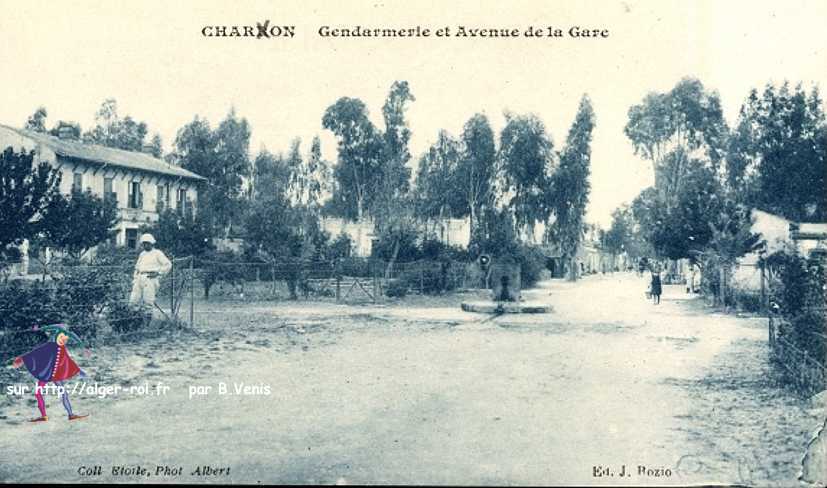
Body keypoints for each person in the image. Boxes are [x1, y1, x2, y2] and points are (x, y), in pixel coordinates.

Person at [12, 324, 90, 422]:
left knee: (53, 392)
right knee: (44, 392)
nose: (63, 340)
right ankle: (55, 415)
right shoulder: (54, 344)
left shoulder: (59, 347)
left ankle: (65, 415)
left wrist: (83, 351)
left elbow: (67, 359)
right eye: (62, 337)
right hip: (48, 372)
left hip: (50, 372)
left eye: (65, 338)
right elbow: (38, 351)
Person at [129, 233, 172, 310]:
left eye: (147, 243)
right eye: (144, 244)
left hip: (150, 278)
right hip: (140, 278)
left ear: (152, 243)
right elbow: (137, 268)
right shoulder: (142, 254)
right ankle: (135, 319)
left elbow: (168, 265)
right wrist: (135, 279)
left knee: (148, 301)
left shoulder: (157, 253)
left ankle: (147, 320)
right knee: (133, 300)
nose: (145, 246)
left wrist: (158, 273)